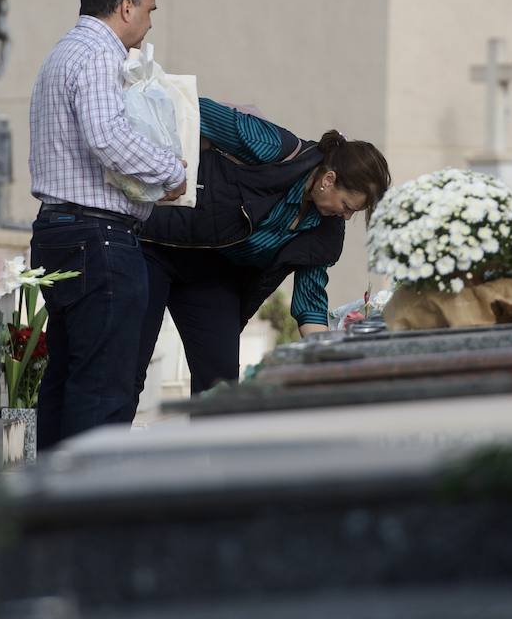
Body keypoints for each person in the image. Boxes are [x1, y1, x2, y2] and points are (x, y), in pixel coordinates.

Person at [28, 0, 187, 450]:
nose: (151, 21)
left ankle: (51, 506)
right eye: (149, 8)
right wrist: (171, 171)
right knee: (104, 388)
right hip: (98, 238)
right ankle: (85, 513)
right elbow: (108, 136)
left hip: (58, 232)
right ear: (125, 6)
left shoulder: (61, 53)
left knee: (67, 379)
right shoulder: (100, 54)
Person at [137, 101, 390, 397]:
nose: (346, 216)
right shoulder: (272, 146)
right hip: (158, 247)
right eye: (346, 206)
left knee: (220, 385)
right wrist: (163, 167)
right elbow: (189, 108)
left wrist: (326, 361)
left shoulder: (326, 230)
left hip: (213, 273)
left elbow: (310, 302)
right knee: (128, 364)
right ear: (329, 180)